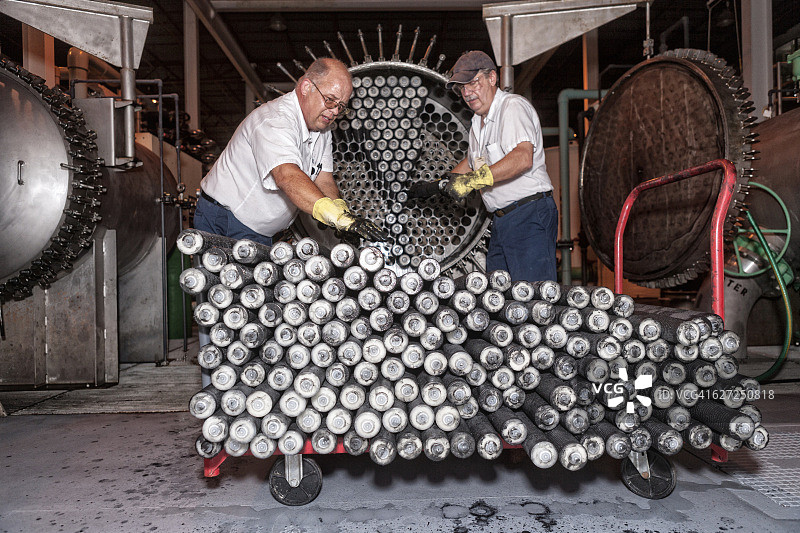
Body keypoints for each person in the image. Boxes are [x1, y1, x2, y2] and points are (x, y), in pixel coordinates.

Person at [194, 57, 386, 245]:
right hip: (227, 220)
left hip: (260, 232)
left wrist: (341, 213)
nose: (335, 111)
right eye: (330, 100)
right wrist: (336, 218)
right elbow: (287, 176)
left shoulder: (322, 127)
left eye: (341, 106)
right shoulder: (275, 120)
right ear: (306, 87)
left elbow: (324, 179)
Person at [409, 51, 558, 282]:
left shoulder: (511, 107)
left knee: (532, 294)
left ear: (492, 78)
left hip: (528, 214)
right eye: (462, 87)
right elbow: (471, 163)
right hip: (502, 220)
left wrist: (471, 182)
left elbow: (522, 158)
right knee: (500, 297)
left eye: (473, 83)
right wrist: (434, 186)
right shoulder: (478, 123)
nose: (467, 93)